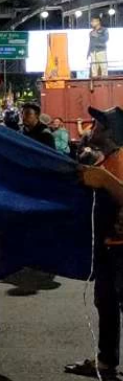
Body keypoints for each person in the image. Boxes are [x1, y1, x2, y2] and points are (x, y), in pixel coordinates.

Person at [67, 106, 123, 379]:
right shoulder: (108, 160)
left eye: (99, 124)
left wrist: (104, 181)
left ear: (111, 131)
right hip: (108, 247)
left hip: (119, 250)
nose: (92, 127)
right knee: (107, 306)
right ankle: (106, 362)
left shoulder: (121, 160)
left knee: (113, 305)